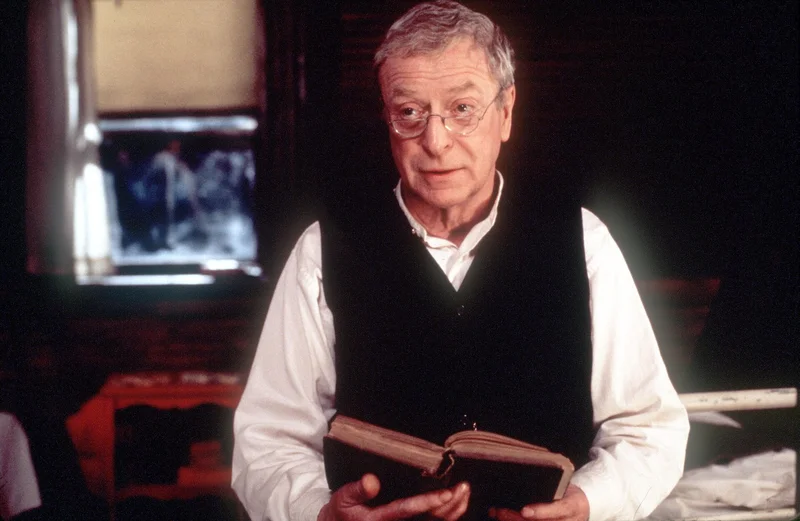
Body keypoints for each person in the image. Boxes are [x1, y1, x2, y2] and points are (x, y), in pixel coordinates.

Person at [232, 2, 689, 521]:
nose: (435, 141)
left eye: (462, 109)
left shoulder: (583, 240)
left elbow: (647, 429)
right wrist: (318, 511)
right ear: (386, 116)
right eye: (409, 112)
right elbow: (268, 439)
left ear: (506, 112)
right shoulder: (323, 250)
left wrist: (588, 504)